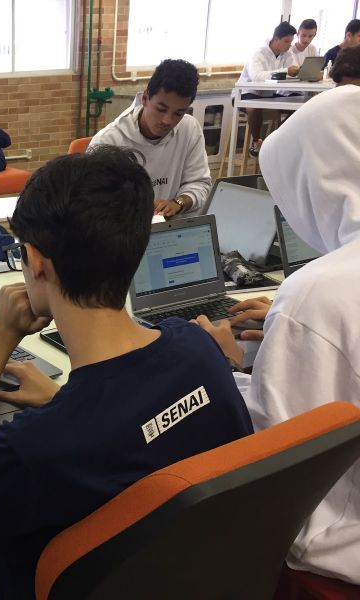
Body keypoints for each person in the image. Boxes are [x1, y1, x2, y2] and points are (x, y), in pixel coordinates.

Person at [0, 149, 253, 599]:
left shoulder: (40, 443)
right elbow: (134, 427)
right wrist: (61, 401)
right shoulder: (200, 349)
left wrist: (1, 337)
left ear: (36, 262)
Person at [193, 84, 360, 588]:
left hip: (331, 554)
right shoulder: (318, 300)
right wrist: (290, 332)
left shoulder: (318, 294)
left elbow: (272, 456)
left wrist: (224, 367)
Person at [87, 59, 211, 218]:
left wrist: (178, 203)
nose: (167, 120)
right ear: (145, 98)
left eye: (178, 113)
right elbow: (93, 204)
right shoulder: (108, 142)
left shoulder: (189, 129)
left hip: (173, 227)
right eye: (161, 109)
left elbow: (200, 184)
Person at [237, 21, 299, 156]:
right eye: (286, 41)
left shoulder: (287, 54)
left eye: (291, 42)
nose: (289, 45)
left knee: (298, 108)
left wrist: (294, 71)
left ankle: (276, 140)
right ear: (276, 39)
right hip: (247, 92)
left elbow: (294, 71)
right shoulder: (258, 54)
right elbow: (257, 77)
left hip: (269, 94)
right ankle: (256, 144)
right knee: (254, 107)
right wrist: (286, 71)